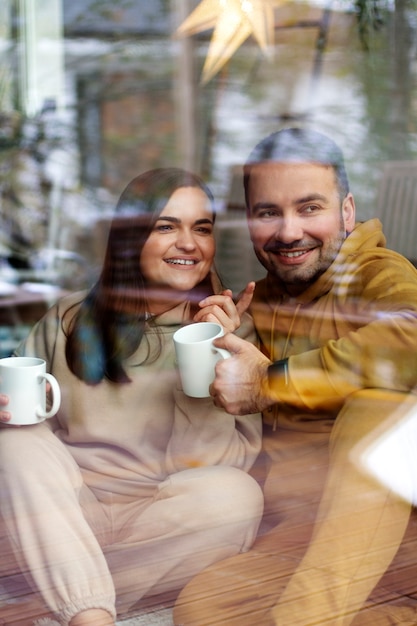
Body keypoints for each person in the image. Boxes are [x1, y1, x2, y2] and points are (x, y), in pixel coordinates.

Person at [172, 128, 417, 626]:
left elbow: (410, 340)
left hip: (396, 538)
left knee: (382, 406)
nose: (288, 232)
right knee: (203, 608)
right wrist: (219, 344)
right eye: (268, 213)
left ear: (346, 212)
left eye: (309, 208)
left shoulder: (377, 274)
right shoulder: (256, 302)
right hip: (304, 541)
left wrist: (270, 381)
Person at [0, 167, 263, 626]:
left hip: (157, 523)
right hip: (67, 514)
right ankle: (92, 615)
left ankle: (67, 595)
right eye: (167, 226)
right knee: (15, 441)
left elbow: (220, 466)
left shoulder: (231, 330)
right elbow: (26, 443)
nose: (189, 243)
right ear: (129, 238)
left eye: (202, 228)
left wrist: (206, 357)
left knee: (236, 495)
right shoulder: (69, 317)